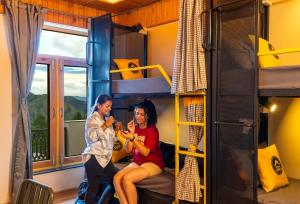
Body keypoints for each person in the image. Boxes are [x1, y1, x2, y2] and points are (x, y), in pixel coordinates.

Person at [113, 100, 165, 204]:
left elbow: (145, 152)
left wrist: (133, 138)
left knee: (127, 179)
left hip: (153, 163)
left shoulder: (152, 130)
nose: (138, 117)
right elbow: (128, 150)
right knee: (116, 178)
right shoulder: (135, 128)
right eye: (136, 113)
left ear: (148, 116)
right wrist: (131, 134)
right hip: (138, 162)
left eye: (142, 114)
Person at [82, 94, 121, 204]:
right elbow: (92, 137)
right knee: (93, 189)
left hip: (106, 159)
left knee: (116, 181)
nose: (109, 109)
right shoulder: (92, 119)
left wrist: (116, 130)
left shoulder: (107, 119)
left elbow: (110, 141)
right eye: (107, 106)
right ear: (99, 105)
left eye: (110, 107)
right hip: (94, 158)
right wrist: (106, 124)